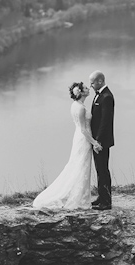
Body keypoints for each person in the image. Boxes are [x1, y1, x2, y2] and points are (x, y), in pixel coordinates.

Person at [32, 82, 102, 209]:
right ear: (80, 92)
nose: (88, 88)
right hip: (84, 139)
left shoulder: (75, 105)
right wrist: (94, 143)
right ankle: (80, 198)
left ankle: (81, 196)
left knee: (79, 166)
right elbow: (83, 130)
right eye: (86, 88)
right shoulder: (80, 108)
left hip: (79, 138)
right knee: (82, 167)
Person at [89, 70, 115, 210]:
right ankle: (101, 196)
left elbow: (105, 121)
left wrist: (97, 141)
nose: (91, 85)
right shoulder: (99, 96)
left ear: (99, 81)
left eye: (92, 83)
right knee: (100, 169)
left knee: (103, 170)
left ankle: (106, 202)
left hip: (102, 141)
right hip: (97, 140)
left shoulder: (107, 97)